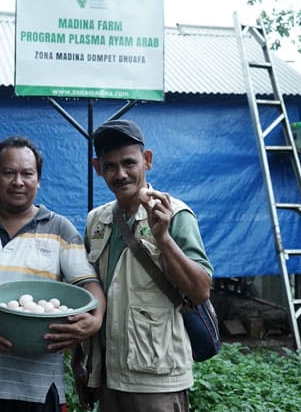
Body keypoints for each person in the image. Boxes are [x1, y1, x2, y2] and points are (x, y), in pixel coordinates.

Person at [0, 135, 106, 412]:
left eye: (28, 173)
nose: (18, 181)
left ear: (38, 180)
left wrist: (95, 319)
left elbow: (88, 283)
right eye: (8, 173)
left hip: (38, 385)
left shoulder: (60, 229)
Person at [75, 119, 213, 412]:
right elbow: (85, 294)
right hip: (107, 374)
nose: (120, 174)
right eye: (110, 166)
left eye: (129, 163)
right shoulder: (95, 221)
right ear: (97, 168)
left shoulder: (175, 214)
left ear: (147, 161)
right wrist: (81, 363)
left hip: (156, 377)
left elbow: (201, 290)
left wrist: (163, 238)